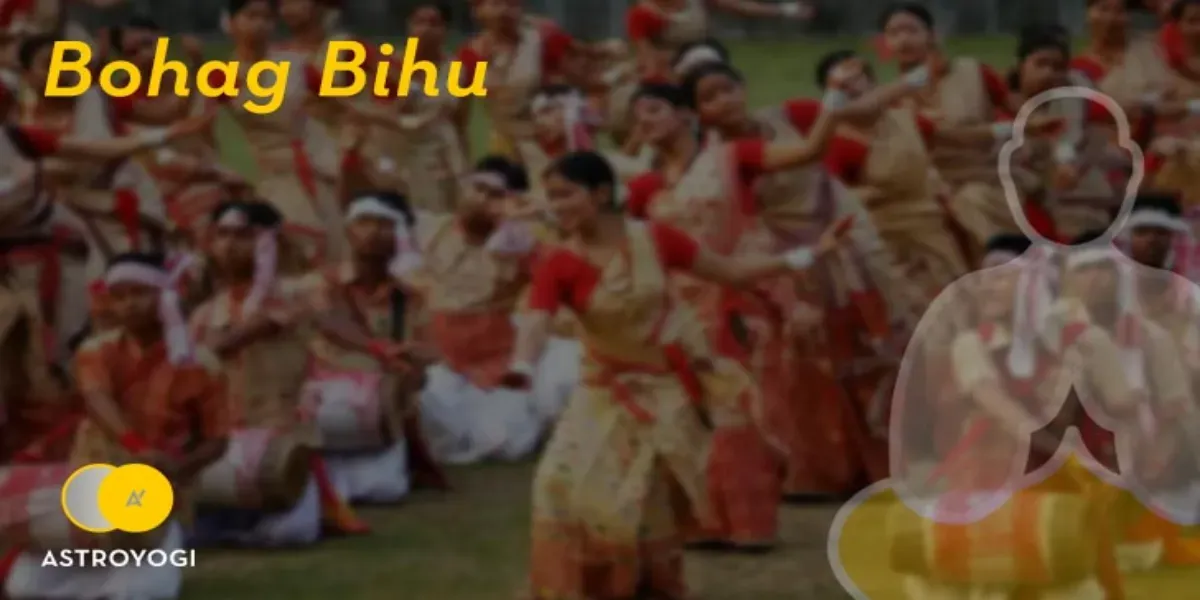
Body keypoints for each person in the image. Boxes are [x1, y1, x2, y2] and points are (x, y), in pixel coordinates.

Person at [502, 150, 850, 598]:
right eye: (551, 197)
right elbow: (536, 320)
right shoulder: (560, 262)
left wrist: (807, 254)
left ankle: (643, 587)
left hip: (665, 392)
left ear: (601, 193)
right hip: (602, 391)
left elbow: (731, 272)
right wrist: (522, 364)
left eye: (566, 194)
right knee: (557, 484)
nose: (556, 206)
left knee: (643, 499)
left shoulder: (654, 240)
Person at [681, 57, 917, 499]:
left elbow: (861, 112)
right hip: (792, 254)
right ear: (698, 114)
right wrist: (833, 95)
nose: (723, 101)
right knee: (815, 357)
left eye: (727, 89)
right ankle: (825, 468)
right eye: (709, 98)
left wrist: (906, 82)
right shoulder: (727, 159)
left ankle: (893, 453)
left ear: (743, 88)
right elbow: (810, 151)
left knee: (876, 337)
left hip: (846, 233)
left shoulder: (788, 114)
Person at [7, 251, 229, 600]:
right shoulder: (96, 350)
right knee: (24, 587)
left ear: (167, 296)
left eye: (139, 293)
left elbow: (217, 440)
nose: (129, 304)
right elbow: (97, 399)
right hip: (94, 482)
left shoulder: (202, 364)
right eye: (119, 296)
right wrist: (139, 448)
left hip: (157, 491)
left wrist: (179, 468)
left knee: (141, 592)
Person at [188, 200, 369, 543]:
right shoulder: (205, 313)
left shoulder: (299, 292)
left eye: (243, 236)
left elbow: (251, 330)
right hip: (226, 441)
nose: (229, 245)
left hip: (283, 440)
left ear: (269, 243)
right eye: (222, 235)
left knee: (291, 532)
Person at [0, 106, 210, 361]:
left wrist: (163, 135)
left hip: (60, 246)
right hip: (18, 260)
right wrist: (28, 178)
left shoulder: (16, 137)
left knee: (73, 331)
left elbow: (94, 150)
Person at [301, 191, 449, 498]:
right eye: (365, 222)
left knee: (385, 488)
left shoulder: (410, 296)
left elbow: (434, 351)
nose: (374, 232)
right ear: (348, 232)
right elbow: (328, 322)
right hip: (326, 399)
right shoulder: (322, 284)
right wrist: (380, 350)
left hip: (383, 404)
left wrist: (412, 357)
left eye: (384, 225)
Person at [409, 157, 542, 464]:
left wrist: (526, 218)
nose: (481, 199)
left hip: (495, 363)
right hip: (437, 361)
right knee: (423, 421)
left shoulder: (520, 242)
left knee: (509, 441)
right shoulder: (429, 228)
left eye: (494, 195)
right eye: (477, 188)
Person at [877, 2, 1020, 259]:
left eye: (911, 30)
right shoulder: (890, 99)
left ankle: (1005, 256)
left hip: (989, 181)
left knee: (970, 200)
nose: (903, 40)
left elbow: (1022, 114)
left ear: (932, 35)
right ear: (885, 44)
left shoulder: (973, 72)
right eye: (894, 33)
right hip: (932, 190)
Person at [209, 0, 346, 265]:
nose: (260, 24)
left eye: (267, 18)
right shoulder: (222, 76)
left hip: (318, 165)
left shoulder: (294, 64)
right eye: (251, 16)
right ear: (230, 23)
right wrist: (217, 168)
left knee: (335, 247)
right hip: (273, 173)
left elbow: (342, 106)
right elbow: (200, 125)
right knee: (290, 247)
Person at [340, 1, 465, 213]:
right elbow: (382, 107)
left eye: (434, 24)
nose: (425, 30)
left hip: (433, 161)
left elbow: (428, 119)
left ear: (445, 30)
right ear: (409, 26)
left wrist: (368, 112)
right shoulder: (387, 64)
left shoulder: (454, 70)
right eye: (419, 22)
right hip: (390, 159)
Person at [453, 0, 577, 162]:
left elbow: (573, 85)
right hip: (505, 145)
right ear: (477, 10)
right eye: (496, 4)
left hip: (552, 141)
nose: (504, 11)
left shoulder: (542, 41)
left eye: (512, 4)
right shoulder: (469, 55)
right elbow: (458, 116)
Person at [625, 0, 811, 80]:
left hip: (707, 61)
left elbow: (739, 7)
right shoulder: (642, 14)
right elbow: (647, 59)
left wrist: (786, 10)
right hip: (671, 69)